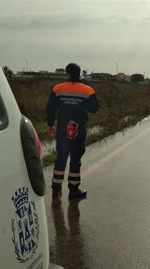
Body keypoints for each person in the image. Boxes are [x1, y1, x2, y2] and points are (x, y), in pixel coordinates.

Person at [46, 63, 99, 200]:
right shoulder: (87, 90)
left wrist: (50, 125)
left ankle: (56, 190)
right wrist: (82, 104)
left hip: (62, 129)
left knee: (61, 158)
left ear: (67, 73)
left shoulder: (57, 88)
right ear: (79, 74)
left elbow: (51, 109)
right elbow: (94, 108)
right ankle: (74, 191)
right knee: (75, 159)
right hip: (79, 128)